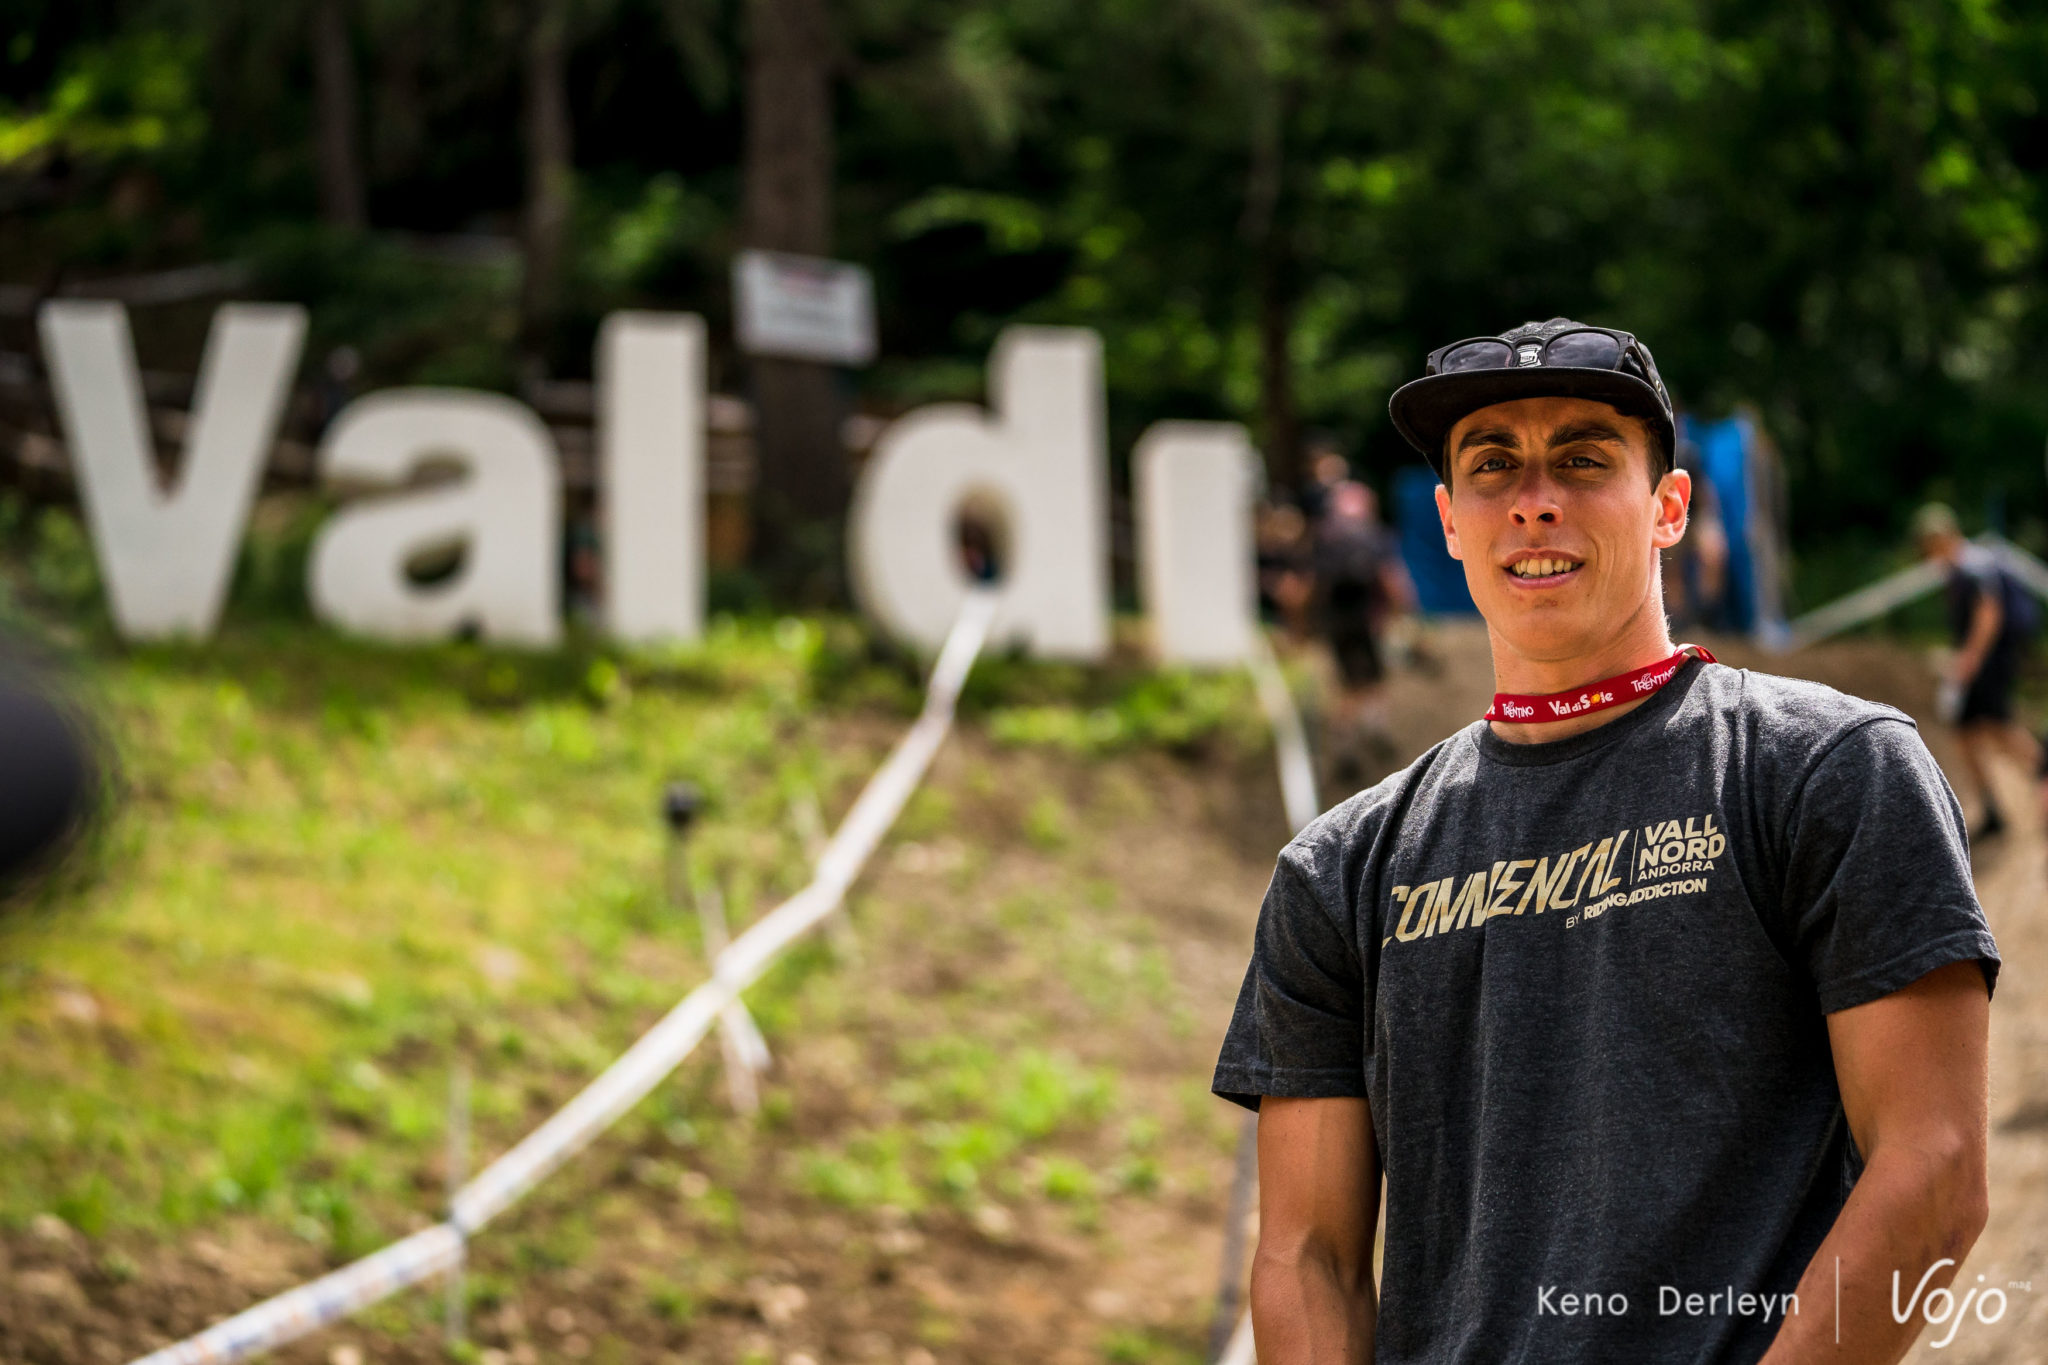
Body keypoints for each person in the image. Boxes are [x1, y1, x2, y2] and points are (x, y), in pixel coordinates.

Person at [1214, 317, 1997, 1364]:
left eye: (1583, 460)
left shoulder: (1826, 770)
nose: (1533, 499)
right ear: (1448, 523)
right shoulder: (1339, 870)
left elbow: (1933, 1170)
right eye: (1492, 465)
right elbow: (1306, 1254)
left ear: (1668, 507)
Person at [1911, 501, 2042, 841]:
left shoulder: (1971, 567)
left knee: (1998, 727)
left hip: (1987, 663)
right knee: (1967, 733)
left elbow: (1988, 614)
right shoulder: (1963, 568)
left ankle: (2042, 770)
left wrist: (1969, 659)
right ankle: (1992, 807)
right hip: (1983, 662)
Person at [1310, 480, 1412, 782]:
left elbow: (1313, 585)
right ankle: (1373, 728)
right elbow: (1391, 578)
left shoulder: (1326, 537)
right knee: (1374, 679)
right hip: (1367, 622)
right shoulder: (1375, 536)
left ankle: (1345, 741)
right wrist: (1404, 610)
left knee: (1348, 685)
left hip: (1336, 624)